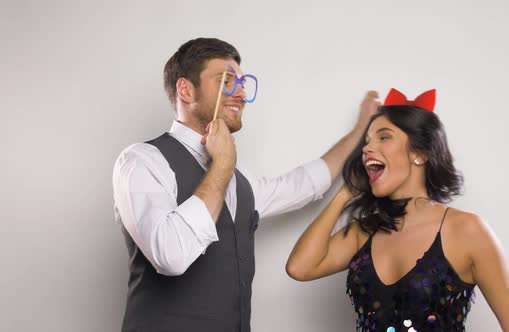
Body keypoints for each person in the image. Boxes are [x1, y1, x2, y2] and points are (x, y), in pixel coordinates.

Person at [112, 37, 379, 332]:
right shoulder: (142, 161)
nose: (240, 93)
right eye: (226, 81)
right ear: (186, 90)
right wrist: (223, 166)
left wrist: (360, 130)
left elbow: (303, 184)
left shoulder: (241, 178)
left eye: (242, 83)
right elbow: (171, 256)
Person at [286, 88, 509, 331]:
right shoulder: (363, 233)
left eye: (384, 137)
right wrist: (345, 192)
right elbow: (300, 267)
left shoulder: (466, 230)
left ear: (419, 153)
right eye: (367, 141)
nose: (366, 148)